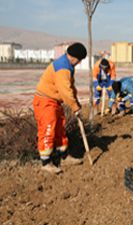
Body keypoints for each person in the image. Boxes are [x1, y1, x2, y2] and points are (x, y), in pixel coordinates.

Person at [33, 42, 87, 174]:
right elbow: (65, 91)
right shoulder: (63, 68)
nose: (79, 63)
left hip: (55, 102)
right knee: (48, 130)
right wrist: (75, 108)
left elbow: (71, 88)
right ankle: (46, 163)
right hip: (46, 102)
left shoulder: (67, 65)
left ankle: (63, 156)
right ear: (74, 58)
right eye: (79, 61)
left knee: (59, 130)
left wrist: (77, 105)